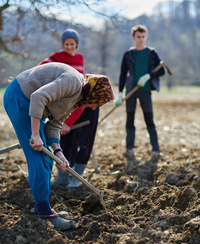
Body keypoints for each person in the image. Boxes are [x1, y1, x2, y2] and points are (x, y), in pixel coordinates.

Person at [3, 62, 114, 230]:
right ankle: (45, 214)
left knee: (47, 159)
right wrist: (34, 134)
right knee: (38, 158)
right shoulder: (73, 82)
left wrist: (59, 152)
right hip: (20, 97)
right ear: (93, 94)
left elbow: (54, 126)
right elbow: (38, 97)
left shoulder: (76, 99)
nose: (95, 107)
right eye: (98, 102)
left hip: (29, 102)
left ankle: (42, 207)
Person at [38, 28, 99, 188]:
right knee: (65, 140)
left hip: (79, 104)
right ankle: (63, 178)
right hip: (64, 99)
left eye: (72, 44)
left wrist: (69, 123)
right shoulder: (57, 57)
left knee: (82, 139)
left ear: (76, 45)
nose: (69, 47)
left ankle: (76, 179)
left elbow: (80, 93)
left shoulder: (79, 58)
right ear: (63, 44)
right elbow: (41, 68)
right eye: (67, 44)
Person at [116, 24, 165, 159]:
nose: (141, 39)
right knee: (130, 120)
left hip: (145, 90)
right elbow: (122, 74)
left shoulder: (152, 53)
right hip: (131, 90)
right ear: (133, 37)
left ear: (146, 37)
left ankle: (156, 149)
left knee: (149, 119)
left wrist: (149, 75)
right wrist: (120, 93)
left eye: (143, 37)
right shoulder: (128, 54)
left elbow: (161, 69)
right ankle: (129, 149)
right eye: (138, 37)